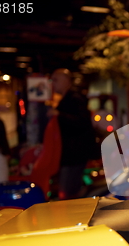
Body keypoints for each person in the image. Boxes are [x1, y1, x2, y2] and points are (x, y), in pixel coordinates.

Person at [49, 68, 95, 200]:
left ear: (66, 81)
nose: (53, 84)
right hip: (72, 154)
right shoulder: (68, 99)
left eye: (56, 80)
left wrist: (59, 115)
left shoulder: (74, 98)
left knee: (67, 193)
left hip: (74, 155)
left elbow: (82, 122)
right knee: (68, 191)